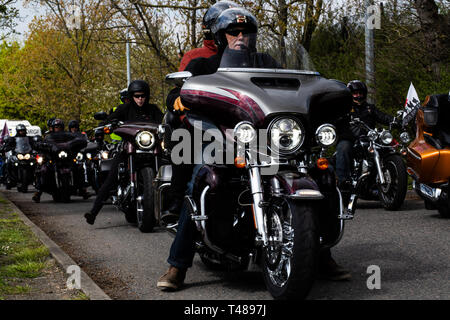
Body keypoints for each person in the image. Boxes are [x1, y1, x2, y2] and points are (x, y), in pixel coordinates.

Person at [157, 7, 348, 291]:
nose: (240, 37)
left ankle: (318, 253)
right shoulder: (205, 66)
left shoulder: (266, 62)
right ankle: (177, 265)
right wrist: (179, 98)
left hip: (269, 140)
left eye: (246, 32)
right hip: (222, 140)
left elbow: (292, 89)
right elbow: (181, 90)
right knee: (201, 180)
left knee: (320, 175)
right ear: (221, 37)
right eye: (233, 32)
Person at [84, 80, 163, 225]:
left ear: (147, 96)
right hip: (128, 150)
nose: (140, 99)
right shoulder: (124, 109)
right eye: (137, 96)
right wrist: (107, 125)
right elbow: (108, 121)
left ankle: (172, 210)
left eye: (143, 96)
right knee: (111, 178)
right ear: (132, 96)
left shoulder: (153, 109)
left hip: (151, 149)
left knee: (170, 169)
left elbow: (164, 122)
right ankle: (93, 212)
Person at [335, 80, 395, 190]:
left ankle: (384, 175)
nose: (358, 95)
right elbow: (335, 120)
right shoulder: (344, 108)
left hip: (369, 139)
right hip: (350, 139)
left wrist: (394, 120)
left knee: (386, 147)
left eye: (360, 93)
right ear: (350, 94)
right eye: (355, 93)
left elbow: (382, 116)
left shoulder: (370, 108)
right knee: (343, 148)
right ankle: (343, 181)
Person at [32, 119, 88, 202]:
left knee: (78, 167)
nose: (58, 128)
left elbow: (77, 139)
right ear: (53, 128)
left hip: (66, 158)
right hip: (53, 158)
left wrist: (77, 142)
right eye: (56, 127)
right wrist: (42, 145)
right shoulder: (48, 136)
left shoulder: (68, 135)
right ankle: (38, 192)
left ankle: (83, 189)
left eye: (60, 127)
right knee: (43, 169)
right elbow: (42, 143)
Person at [178, 0, 239, 72]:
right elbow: (183, 82)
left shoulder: (250, 58)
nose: (239, 35)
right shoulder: (193, 57)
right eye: (230, 30)